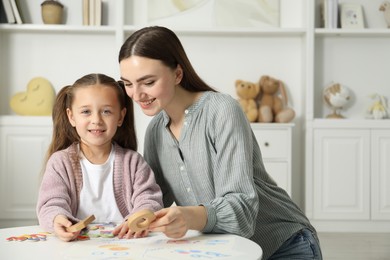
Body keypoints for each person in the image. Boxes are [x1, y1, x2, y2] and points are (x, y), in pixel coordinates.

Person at [118, 26, 322, 259]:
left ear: (177, 74)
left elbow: (242, 211)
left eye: (148, 82)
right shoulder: (155, 131)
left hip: (284, 244)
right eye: (128, 83)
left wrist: (189, 217)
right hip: (228, 250)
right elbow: (152, 198)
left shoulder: (222, 111)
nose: (136, 94)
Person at [36, 73, 163, 242]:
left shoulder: (134, 162)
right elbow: (51, 203)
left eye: (106, 111)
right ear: (71, 116)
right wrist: (58, 219)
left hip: (128, 246)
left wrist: (140, 216)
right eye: (86, 112)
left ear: (120, 116)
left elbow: (149, 198)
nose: (96, 120)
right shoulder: (60, 162)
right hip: (76, 249)